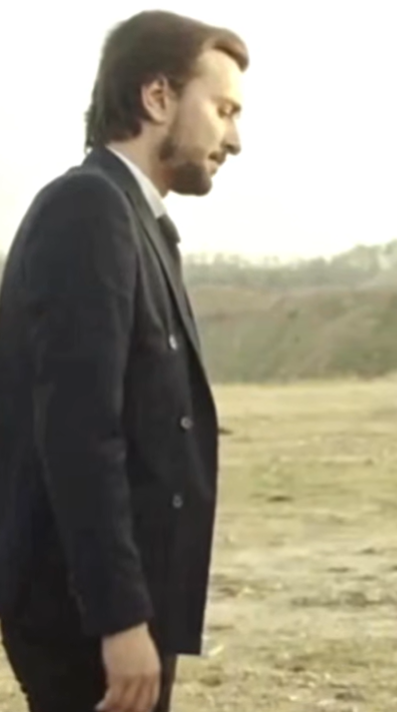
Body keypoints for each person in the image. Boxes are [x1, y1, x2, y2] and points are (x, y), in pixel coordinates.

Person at [0, 10, 248, 712]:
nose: (235, 139)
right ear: (158, 97)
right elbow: (80, 435)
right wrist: (118, 619)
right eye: (223, 110)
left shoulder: (134, 220)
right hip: (81, 615)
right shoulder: (88, 210)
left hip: (119, 601)